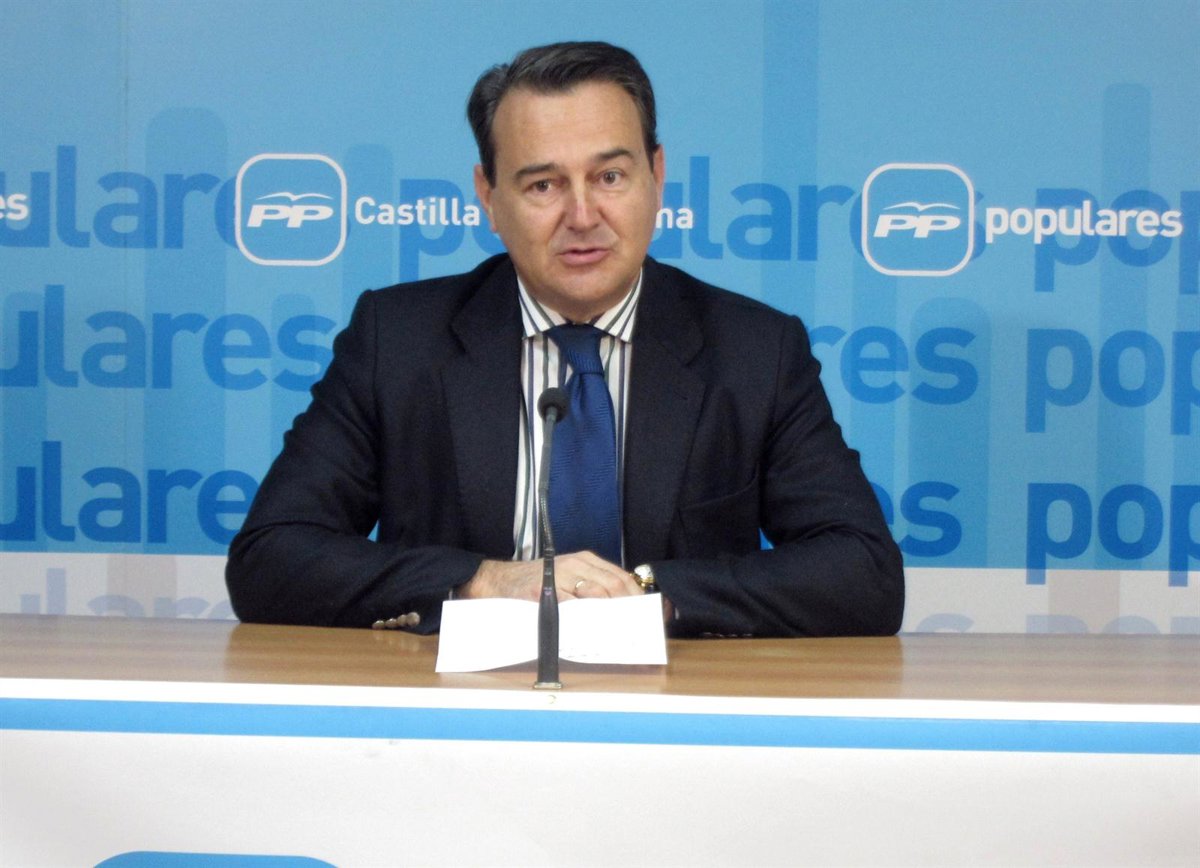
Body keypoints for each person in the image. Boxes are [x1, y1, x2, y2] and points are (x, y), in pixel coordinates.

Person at [226, 41, 904, 637]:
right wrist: (483, 581)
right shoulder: (397, 341)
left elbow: (864, 572)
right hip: (456, 707)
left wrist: (653, 594)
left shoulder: (755, 351)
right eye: (544, 184)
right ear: (489, 197)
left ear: (657, 176)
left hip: (677, 707)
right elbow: (269, 559)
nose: (583, 216)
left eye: (610, 177)